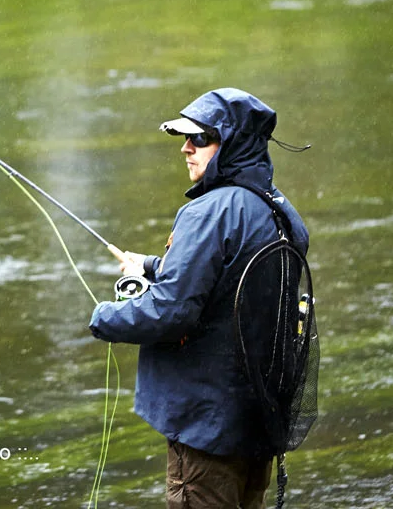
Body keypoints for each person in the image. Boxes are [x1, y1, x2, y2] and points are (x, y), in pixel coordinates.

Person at [89, 88, 309, 509]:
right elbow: (232, 283)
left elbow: (170, 312)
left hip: (206, 427)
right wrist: (153, 267)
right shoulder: (280, 210)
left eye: (201, 139)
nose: (187, 149)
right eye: (184, 139)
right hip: (256, 424)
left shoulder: (209, 212)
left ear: (233, 143)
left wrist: (103, 316)